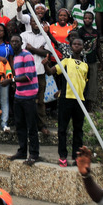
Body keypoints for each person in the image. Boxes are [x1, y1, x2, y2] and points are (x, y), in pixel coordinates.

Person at [42, 37, 88, 167]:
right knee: (63, 128)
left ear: (82, 47)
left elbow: (85, 83)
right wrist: (46, 64)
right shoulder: (66, 61)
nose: (77, 45)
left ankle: (76, 156)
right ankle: (62, 156)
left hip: (80, 100)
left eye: (79, 43)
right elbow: (51, 71)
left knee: (78, 129)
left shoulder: (85, 65)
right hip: (66, 99)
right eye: (75, 44)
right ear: (71, 46)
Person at [7, 34, 40, 166]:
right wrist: (15, 82)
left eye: (17, 41)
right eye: (12, 41)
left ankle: (34, 153)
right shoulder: (15, 57)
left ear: (21, 43)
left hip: (29, 95)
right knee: (19, 125)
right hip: (19, 94)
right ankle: (22, 150)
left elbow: (29, 76)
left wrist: (12, 80)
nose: (14, 43)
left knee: (31, 125)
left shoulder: (27, 55)